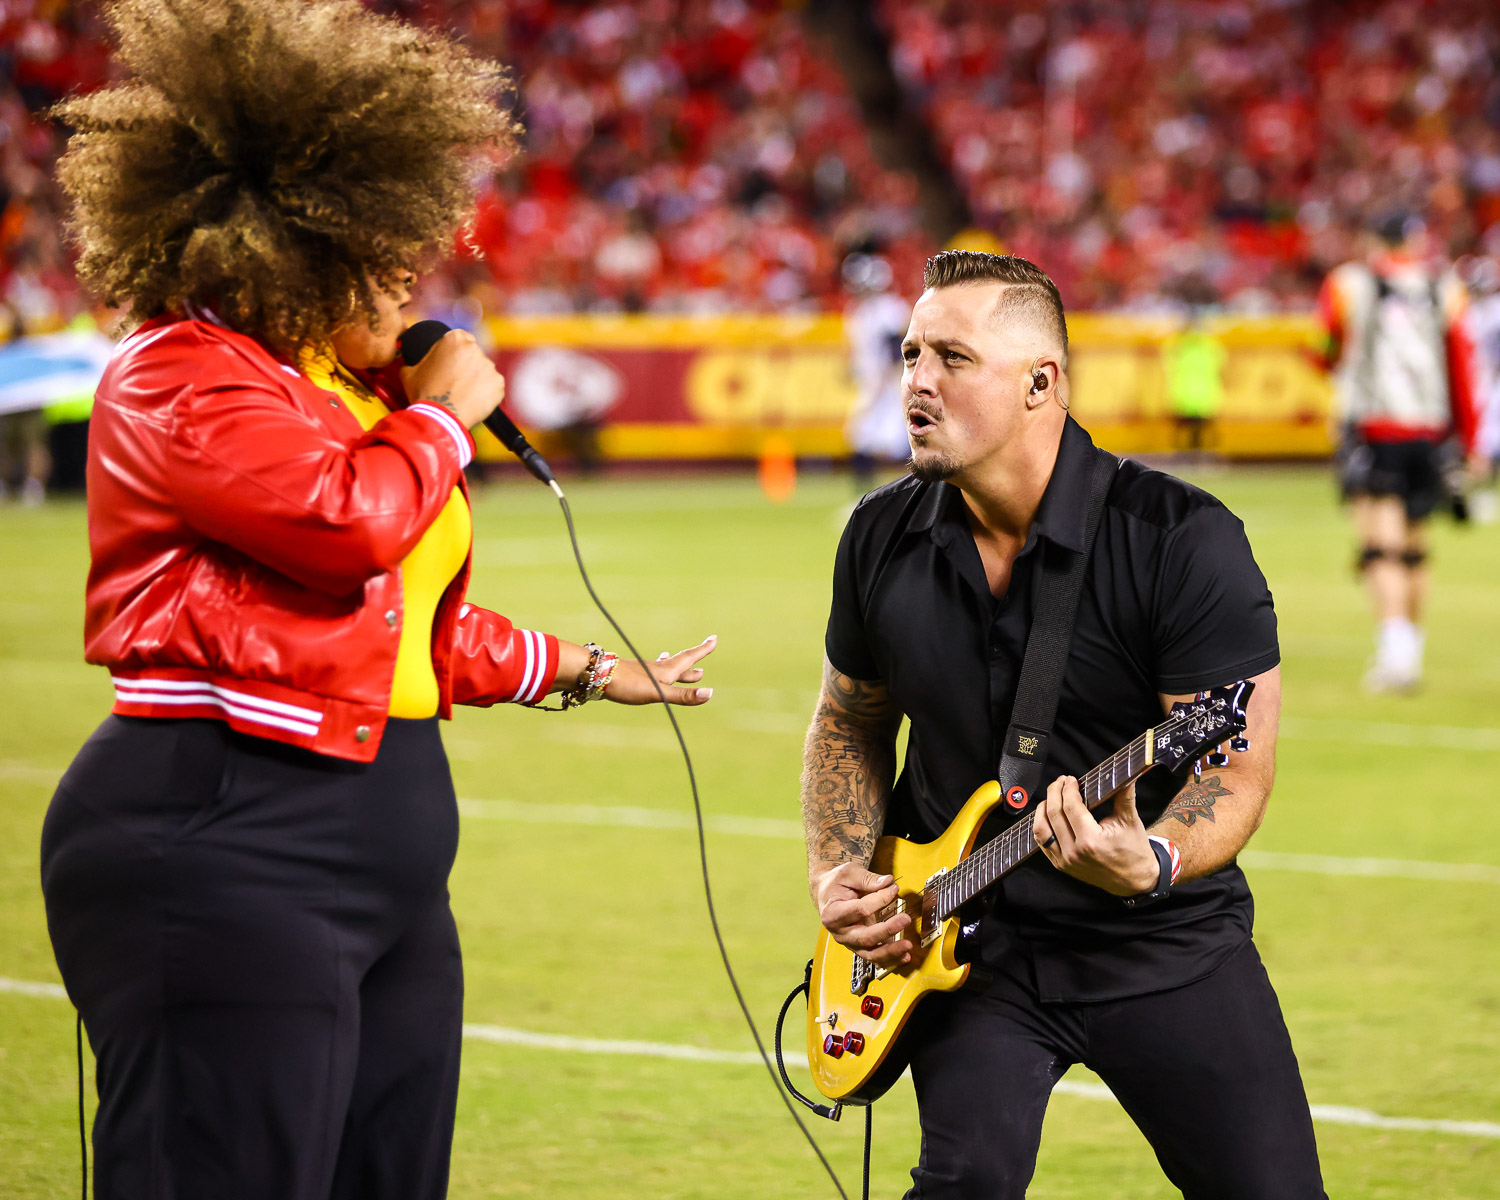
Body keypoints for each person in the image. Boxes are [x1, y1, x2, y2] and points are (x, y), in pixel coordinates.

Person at [37, 4, 714, 1198]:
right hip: (227, 837)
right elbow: (340, 529)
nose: (411, 290)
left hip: (380, 863)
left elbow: (406, 627)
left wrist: (592, 670)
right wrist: (443, 416)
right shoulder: (177, 371)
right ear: (287, 247)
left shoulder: (349, 397)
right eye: (383, 262)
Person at [800, 250, 1324, 1200]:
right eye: (913, 353)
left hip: (1160, 943)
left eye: (952, 358)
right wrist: (838, 869)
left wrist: (1154, 856)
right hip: (966, 945)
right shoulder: (878, 535)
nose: (915, 380)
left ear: (1043, 383)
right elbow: (849, 721)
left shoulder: (1183, 539)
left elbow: (1232, 766)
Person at [1314, 212, 1480, 691]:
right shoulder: (1444, 287)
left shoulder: (1348, 283)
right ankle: (1411, 650)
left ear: (1372, 238)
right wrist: (1467, 440)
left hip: (1375, 427)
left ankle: (1395, 654)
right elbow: (1461, 366)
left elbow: (1323, 345)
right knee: (1415, 550)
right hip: (1429, 431)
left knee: (1380, 546)